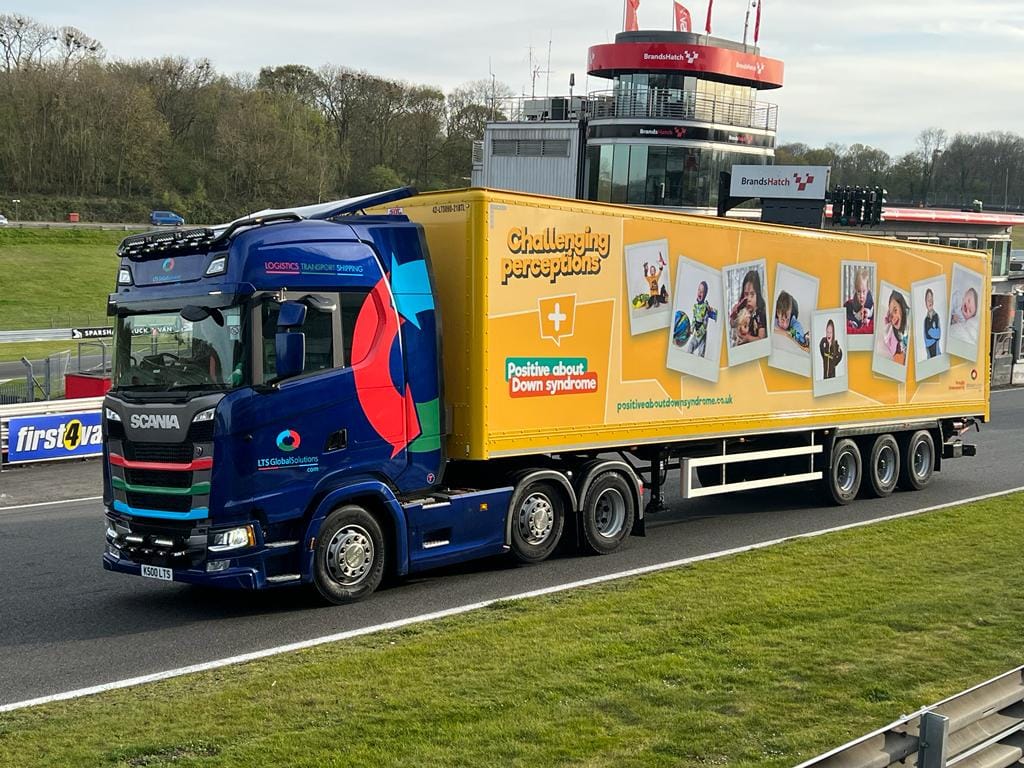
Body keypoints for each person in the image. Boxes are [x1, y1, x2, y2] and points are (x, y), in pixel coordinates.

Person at [728, 269, 766, 346]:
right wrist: (733, 315)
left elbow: (761, 338)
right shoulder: (742, 309)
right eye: (746, 294)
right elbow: (732, 325)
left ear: (757, 295)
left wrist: (748, 338)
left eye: (752, 294)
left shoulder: (760, 313)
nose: (748, 299)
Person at [685, 280, 718, 357]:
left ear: (705, 294)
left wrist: (700, 332)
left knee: (701, 354)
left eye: (702, 291)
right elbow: (693, 319)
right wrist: (691, 329)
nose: (700, 292)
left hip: (702, 334)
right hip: (696, 333)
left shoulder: (705, 307)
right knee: (690, 348)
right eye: (699, 290)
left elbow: (705, 323)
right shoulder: (695, 307)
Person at [879, 289, 909, 364]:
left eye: (895, 310)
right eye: (891, 315)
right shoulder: (896, 335)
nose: (894, 317)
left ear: (902, 307)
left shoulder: (909, 320)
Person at [844, 268, 874, 334]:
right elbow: (844, 329)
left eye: (864, 291)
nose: (861, 296)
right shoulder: (848, 306)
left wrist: (868, 322)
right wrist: (856, 319)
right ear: (855, 289)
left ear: (868, 290)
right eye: (858, 291)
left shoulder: (874, 309)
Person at [923, 288, 941, 358]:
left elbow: (938, 334)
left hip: (937, 352)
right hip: (929, 355)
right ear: (925, 302)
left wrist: (930, 331)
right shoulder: (925, 320)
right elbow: (926, 338)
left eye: (931, 299)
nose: (930, 301)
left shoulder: (936, 316)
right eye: (928, 299)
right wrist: (933, 333)